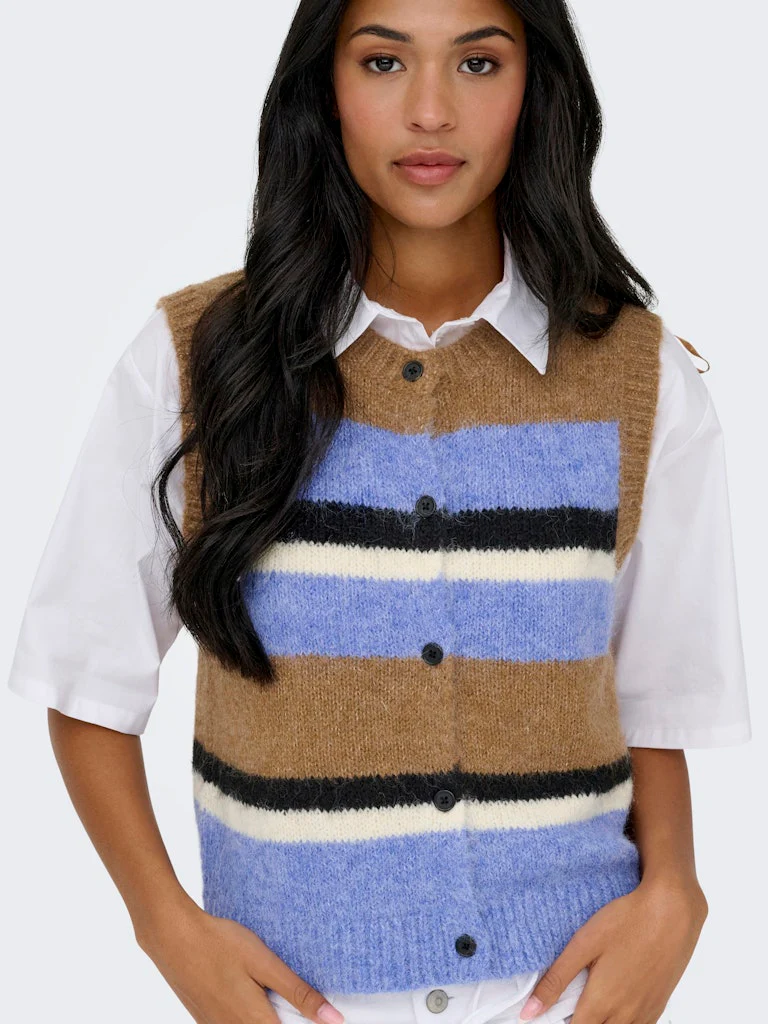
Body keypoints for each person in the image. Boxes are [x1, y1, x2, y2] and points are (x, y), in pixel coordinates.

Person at [7, 1, 752, 1023]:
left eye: (479, 63)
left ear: (537, 88)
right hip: (291, 1001)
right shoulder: (197, 359)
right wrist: (164, 926)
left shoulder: (638, 375)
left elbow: (655, 692)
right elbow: (85, 678)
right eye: (383, 62)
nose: (431, 111)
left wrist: (676, 895)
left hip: (572, 993)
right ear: (324, 87)